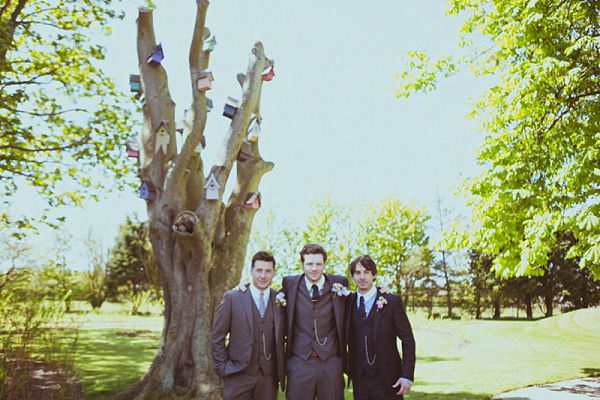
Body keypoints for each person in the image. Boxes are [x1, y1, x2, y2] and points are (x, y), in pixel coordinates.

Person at [210, 251, 285, 400]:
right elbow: (217, 337)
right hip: (237, 375)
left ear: (274, 273)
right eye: (259, 270)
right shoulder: (233, 297)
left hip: (268, 377)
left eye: (268, 271)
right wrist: (222, 367)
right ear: (251, 271)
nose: (263, 275)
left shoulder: (280, 300)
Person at [280, 244, 349, 400]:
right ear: (302, 264)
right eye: (310, 264)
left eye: (318, 264)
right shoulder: (289, 284)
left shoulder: (340, 282)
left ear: (324, 264)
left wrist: (380, 292)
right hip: (299, 362)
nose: (314, 268)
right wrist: (246, 287)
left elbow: (359, 298)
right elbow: (269, 299)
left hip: (331, 362)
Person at [345, 254, 416, 400]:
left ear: (374, 275)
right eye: (357, 273)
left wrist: (407, 375)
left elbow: (407, 339)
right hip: (360, 378)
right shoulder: (347, 302)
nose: (362, 277)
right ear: (352, 277)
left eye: (366, 272)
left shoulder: (391, 301)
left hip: (388, 377)